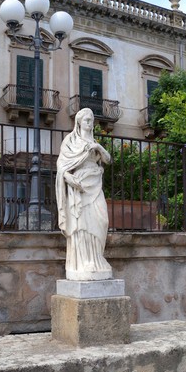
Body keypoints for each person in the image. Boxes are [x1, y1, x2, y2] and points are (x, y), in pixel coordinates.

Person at [56, 108, 113, 280]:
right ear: (79, 122)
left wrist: (98, 147)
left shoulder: (94, 142)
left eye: (92, 120)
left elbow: (108, 160)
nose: (90, 123)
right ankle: (84, 262)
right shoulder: (70, 140)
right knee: (82, 224)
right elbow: (61, 166)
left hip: (94, 182)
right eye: (87, 120)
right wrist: (69, 178)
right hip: (79, 185)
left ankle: (97, 258)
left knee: (102, 220)